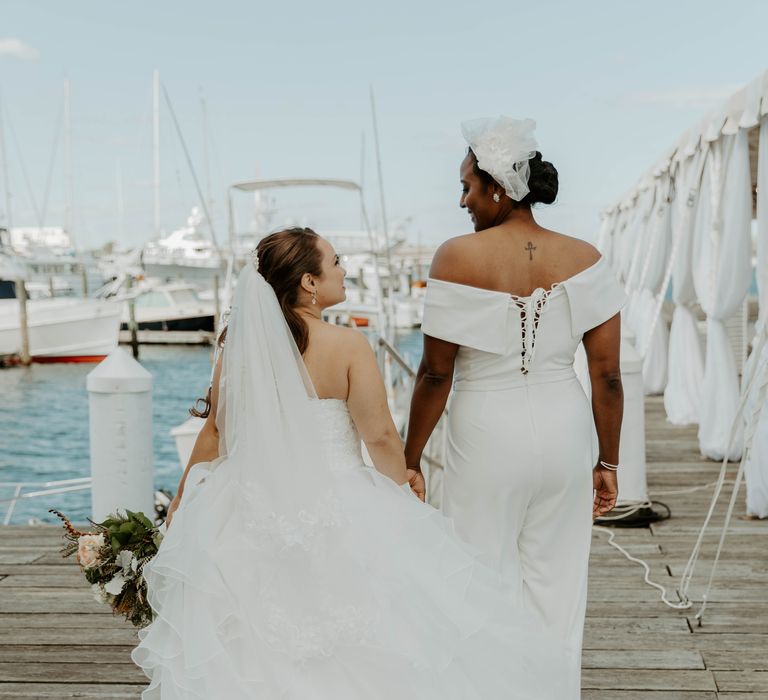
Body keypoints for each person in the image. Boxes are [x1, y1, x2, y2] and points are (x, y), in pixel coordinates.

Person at [132, 227, 570, 699]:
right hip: (338, 500)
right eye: (336, 261)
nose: (345, 270)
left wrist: (181, 501)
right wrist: (401, 487)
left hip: (249, 504)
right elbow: (379, 435)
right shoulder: (347, 346)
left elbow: (214, 432)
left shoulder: (236, 348)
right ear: (309, 282)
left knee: (252, 642)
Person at [404, 116, 627, 692]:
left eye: (467, 187)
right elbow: (607, 376)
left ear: (497, 189)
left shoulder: (456, 258)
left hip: (486, 436)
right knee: (557, 589)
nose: (462, 201)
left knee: (480, 581)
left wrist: (409, 457)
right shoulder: (587, 259)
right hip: (565, 429)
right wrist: (609, 463)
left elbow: (434, 373)